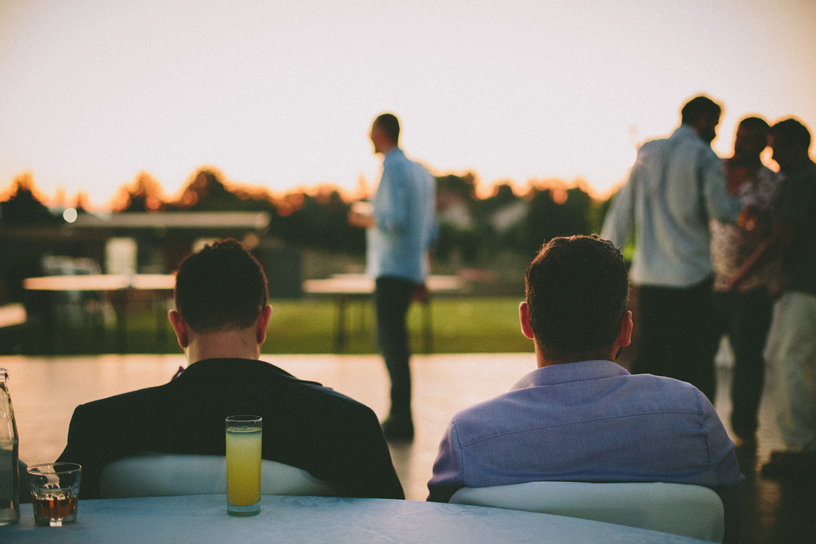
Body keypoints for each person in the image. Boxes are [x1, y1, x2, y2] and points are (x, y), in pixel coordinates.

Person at [427, 235, 744, 544]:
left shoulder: (468, 438)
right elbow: (728, 520)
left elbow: (438, 528)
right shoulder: (692, 417)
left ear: (527, 320)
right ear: (626, 328)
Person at [57, 239, 404, 500]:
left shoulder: (98, 428)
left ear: (179, 327)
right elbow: (389, 528)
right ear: (263, 323)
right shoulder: (348, 426)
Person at [601, 95, 741, 401]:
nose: (717, 131)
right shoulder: (704, 155)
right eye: (716, 124)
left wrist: (606, 256)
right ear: (703, 120)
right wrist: (742, 205)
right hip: (691, 275)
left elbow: (621, 210)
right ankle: (689, 425)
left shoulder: (648, 151)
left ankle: (644, 418)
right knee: (691, 359)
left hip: (649, 275)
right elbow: (720, 211)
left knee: (651, 354)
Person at [348, 112, 437, 441]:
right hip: (409, 269)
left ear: (382, 132)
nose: (369, 137)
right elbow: (429, 229)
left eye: (371, 131)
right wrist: (422, 274)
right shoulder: (422, 173)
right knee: (396, 341)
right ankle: (401, 415)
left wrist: (362, 216)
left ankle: (400, 419)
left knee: (391, 343)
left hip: (391, 268)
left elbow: (394, 218)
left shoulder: (393, 167)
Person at [709, 116, 782, 447]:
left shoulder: (772, 182)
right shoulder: (716, 170)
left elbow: (772, 238)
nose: (742, 143)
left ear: (764, 144)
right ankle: (701, 423)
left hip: (750, 286)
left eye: (751, 139)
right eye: (740, 136)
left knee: (748, 359)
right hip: (708, 280)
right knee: (700, 354)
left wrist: (743, 274)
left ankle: (745, 429)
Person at [757, 118, 816, 478]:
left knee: (783, 359)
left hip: (802, 286)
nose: (770, 151)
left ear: (795, 146)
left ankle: (799, 447)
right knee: (805, 365)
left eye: (775, 143)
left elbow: (782, 236)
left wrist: (745, 273)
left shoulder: (799, 182)